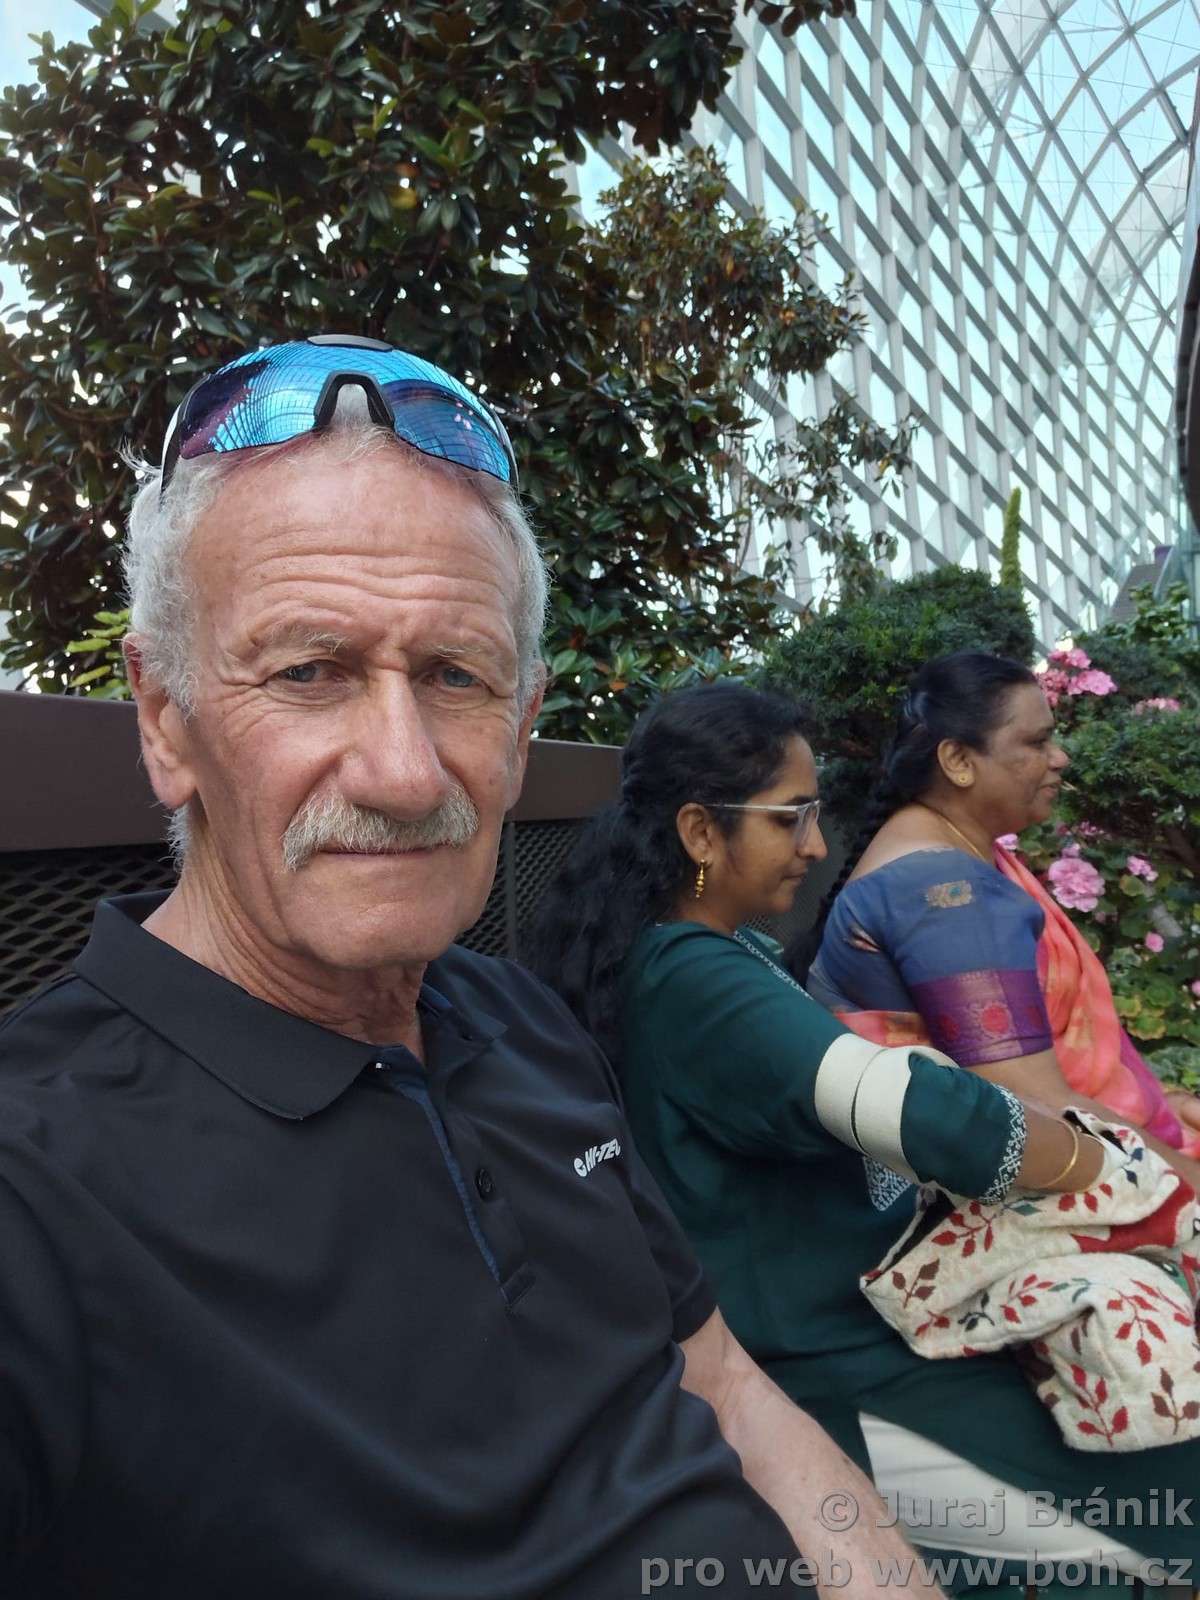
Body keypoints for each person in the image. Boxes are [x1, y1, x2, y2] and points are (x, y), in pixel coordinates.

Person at [0, 335, 940, 1599]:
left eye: (455, 677)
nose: (404, 772)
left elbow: (717, 1381)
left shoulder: (520, 1020)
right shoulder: (40, 1180)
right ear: (166, 719)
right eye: (308, 671)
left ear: (522, 721)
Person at [528, 680, 1200, 1586]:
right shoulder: (692, 974)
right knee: (1147, 1503)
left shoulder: (710, 951)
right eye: (790, 818)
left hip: (862, 1315)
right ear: (699, 833)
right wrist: (1097, 1162)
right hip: (836, 1355)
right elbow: (916, 1110)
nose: (815, 844)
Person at [804, 651, 1200, 1186]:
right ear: (958, 761)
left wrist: (1165, 1105)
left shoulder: (949, 852)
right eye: (1037, 743)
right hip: (1037, 1179)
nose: (1059, 758)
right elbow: (1041, 1111)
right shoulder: (944, 894)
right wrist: (1189, 1186)